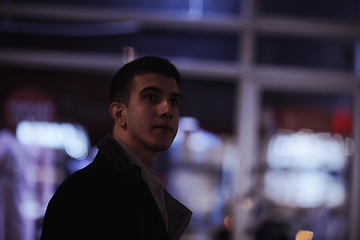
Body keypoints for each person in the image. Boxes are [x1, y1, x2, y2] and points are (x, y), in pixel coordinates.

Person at [40, 56, 192, 240]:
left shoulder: (140, 189)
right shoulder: (88, 191)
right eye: (151, 97)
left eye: (174, 101)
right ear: (119, 113)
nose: (167, 110)